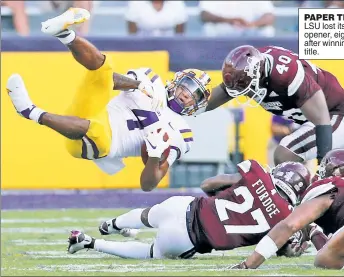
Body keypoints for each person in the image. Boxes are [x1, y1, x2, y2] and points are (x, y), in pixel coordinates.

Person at [5, 8, 211, 191]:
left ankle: (30, 111)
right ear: (176, 81)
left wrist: (155, 155)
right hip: (93, 111)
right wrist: (137, 85)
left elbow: (148, 185)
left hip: (101, 144)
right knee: (105, 66)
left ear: (198, 105)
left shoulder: (182, 134)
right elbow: (108, 80)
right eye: (187, 86)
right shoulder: (152, 80)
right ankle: (64, 33)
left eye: (195, 95)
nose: (187, 94)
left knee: (97, 130)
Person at [198, 44, 344, 198]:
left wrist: (325, 169)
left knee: (285, 152)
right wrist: (187, 109)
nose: (246, 93)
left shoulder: (286, 73)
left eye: (247, 86)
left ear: (259, 74)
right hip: (325, 118)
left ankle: (295, 206)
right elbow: (224, 92)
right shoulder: (248, 69)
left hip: (337, 114)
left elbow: (322, 120)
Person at [67, 160, 314, 259]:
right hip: (188, 240)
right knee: (153, 253)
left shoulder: (257, 172)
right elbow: (282, 251)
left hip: (185, 207)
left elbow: (209, 185)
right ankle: (89, 243)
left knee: (148, 215)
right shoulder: (288, 217)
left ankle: (111, 225)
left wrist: (227, 193)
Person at [231, 148, 344, 270]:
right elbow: (343, 247)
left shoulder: (328, 187)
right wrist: (312, 231)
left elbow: (289, 225)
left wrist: (249, 264)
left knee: (324, 261)